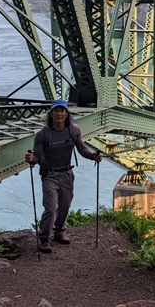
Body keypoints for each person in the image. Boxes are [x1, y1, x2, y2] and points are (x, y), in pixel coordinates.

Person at [24, 98, 103, 253]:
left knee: (65, 206)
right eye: (56, 111)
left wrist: (94, 156)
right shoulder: (42, 135)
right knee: (51, 208)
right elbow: (37, 158)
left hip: (67, 173)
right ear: (51, 114)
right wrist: (31, 159)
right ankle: (45, 239)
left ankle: (60, 232)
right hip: (49, 175)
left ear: (67, 114)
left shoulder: (74, 130)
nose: (59, 114)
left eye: (62, 111)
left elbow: (82, 149)